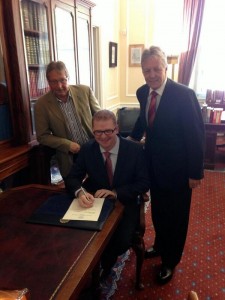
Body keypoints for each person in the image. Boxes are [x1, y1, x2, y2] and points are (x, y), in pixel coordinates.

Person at [128, 46, 205, 284]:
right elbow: (144, 117)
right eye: (146, 70)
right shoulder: (143, 92)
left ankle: (170, 261)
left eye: (156, 69)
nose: (151, 75)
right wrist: (132, 138)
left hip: (179, 170)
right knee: (159, 212)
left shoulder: (183, 94)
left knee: (177, 217)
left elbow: (196, 135)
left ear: (165, 67)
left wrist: (195, 172)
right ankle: (160, 246)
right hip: (153, 165)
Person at [65, 109, 150, 280]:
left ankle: (104, 268)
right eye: (98, 132)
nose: (103, 137)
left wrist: (115, 193)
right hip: (94, 203)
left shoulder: (135, 150)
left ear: (116, 129)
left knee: (119, 241)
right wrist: (80, 192)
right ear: (93, 131)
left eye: (108, 131)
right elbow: (72, 177)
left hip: (125, 203)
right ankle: (81, 271)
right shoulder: (88, 149)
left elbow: (144, 183)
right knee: (76, 235)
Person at [34, 61, 101, 180]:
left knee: (101, 187)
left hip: (95, 150)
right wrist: (66, 144)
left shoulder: (85, 91)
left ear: (68, 77)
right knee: (76, 192)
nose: (59, 86)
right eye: (54, 82)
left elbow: (100, 117)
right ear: (48, 82)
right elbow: (42, 136)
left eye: (62, 80)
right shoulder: (41, 105)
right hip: (69, 157)